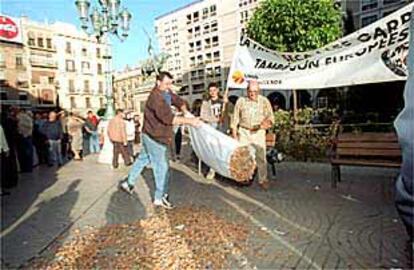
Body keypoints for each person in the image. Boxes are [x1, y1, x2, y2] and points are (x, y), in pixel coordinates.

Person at [119, 71, 201, 209]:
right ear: (158, 82)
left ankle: (128, 183)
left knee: (143, 159)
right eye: (167, 83)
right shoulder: (155, 98)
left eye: (170, 83)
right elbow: (169, 119)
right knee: (161, 167)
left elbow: (178, 100)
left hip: (148, 133)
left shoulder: (166, 92)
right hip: (155, 136)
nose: (169, 86)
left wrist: (184, 109)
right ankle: (159, 197)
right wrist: (190, 121)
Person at [231, 80, 274, 190]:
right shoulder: (241, 101)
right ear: (247, 90)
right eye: (250, 91)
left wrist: (267, 124)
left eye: (255, 91)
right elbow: (235, 119)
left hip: (258, 132)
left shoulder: (264, 101)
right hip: (244, 131)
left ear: (259, 91)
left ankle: (263, 179)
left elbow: (271, 118)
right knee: (242, 157)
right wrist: (234, 134)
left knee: (261, 157)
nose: (252, 94)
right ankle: (243, 178)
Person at [200, 82, 227, 180]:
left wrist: (227, 104)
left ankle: (223, 171)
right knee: (213, 150)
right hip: (212, 129)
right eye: (210, 90)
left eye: (214, 90)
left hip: (223, 129)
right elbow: (203, 116)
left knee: (223, 150)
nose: (212, 92)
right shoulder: (206, 103)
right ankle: (212, 170)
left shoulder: (223, 101)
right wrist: (214, 119)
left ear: (218, 90)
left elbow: (231, 112)